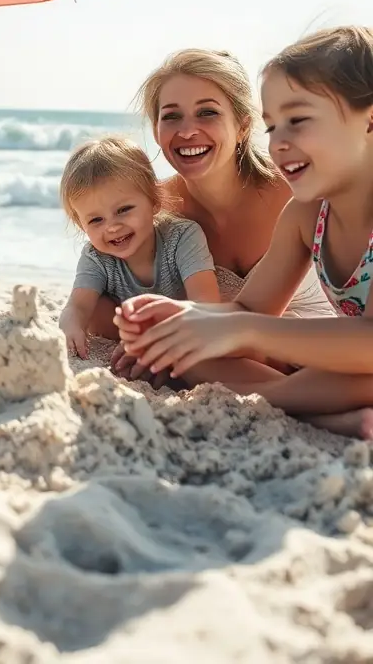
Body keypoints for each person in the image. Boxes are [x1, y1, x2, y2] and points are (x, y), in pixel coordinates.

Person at [117, 26, 373, 438]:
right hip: (331, 363)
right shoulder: (307, 213)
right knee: (184, 347)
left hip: (357, 362)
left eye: (300, 120)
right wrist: (185, 318)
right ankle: (322, 409)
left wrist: (241, 330)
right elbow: (252, 310)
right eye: (273, 127)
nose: (279, 143)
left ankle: (289, 402)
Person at [99, 48, 333, 385]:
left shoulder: (298, 191)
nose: (188, 130)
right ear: (155, 129)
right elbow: (105, 294)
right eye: (171, 116)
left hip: (323, 348)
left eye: (207, 113)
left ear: (242, 126)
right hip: (230, 355)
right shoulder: (153, 210)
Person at [58, 137, 219, 357]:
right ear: (81, 225)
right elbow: (76, 307)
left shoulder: (182, 236)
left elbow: (206, 304)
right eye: (96, 220)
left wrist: (149, 338)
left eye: (123, 210)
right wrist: (70, 326)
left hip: (183, 327)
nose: (113, 227)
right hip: (125, 331)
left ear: (154, 201)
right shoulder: (96, 257)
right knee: (93, 309)